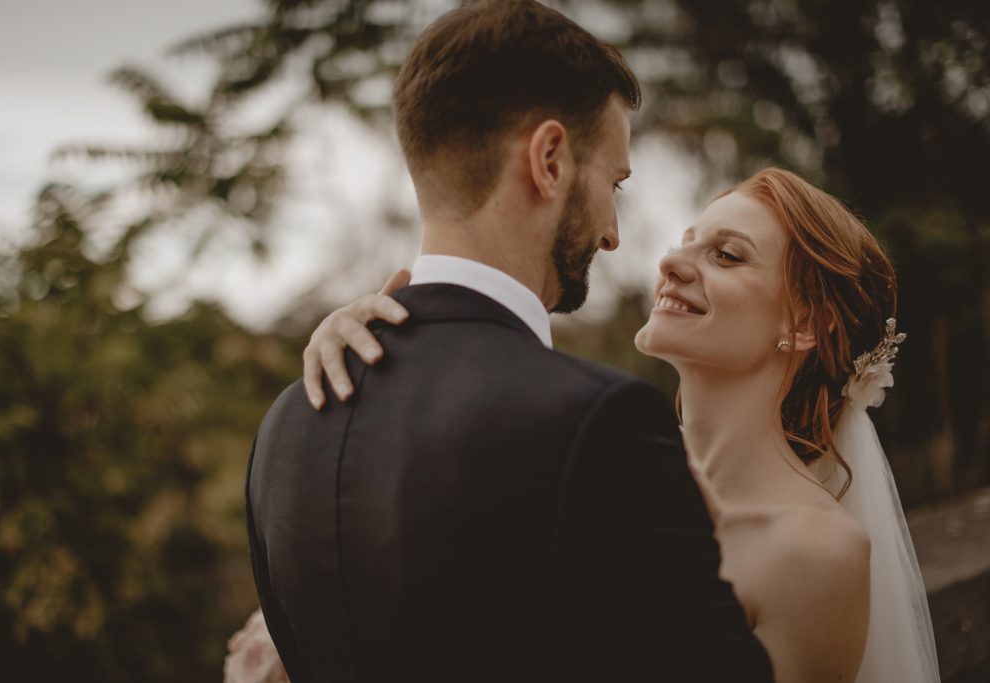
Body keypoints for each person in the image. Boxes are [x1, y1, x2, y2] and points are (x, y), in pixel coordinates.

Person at [245, 0, 774, 681]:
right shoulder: (601, 423)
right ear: (550, 159)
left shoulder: (287, 428)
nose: (613, 233)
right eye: (614, 182)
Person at [304, 169, 942, 682]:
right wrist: (382, 361)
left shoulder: (815, 552)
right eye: (685, 240)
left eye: (727, 255)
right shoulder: (591, 469)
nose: (673, 263)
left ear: (804, 326)